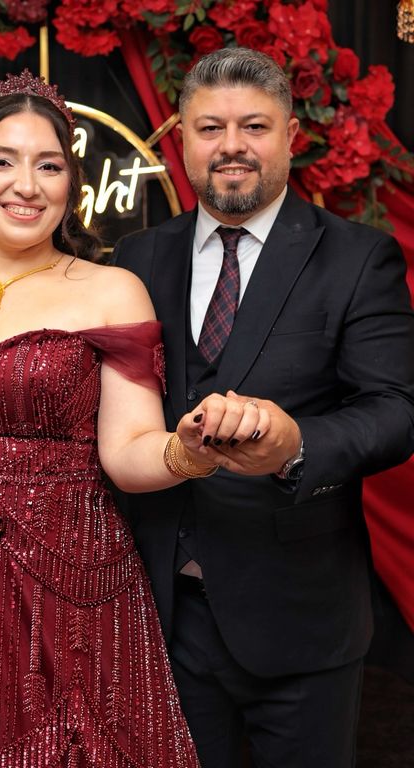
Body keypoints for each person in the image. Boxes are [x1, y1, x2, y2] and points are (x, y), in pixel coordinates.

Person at [0, 70, 270, 766]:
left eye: (49, 165)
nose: (26, 185)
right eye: (2, 162)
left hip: (73, 592)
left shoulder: (110, 291)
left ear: (72, 183)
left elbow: (128, 451)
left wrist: (190, 452)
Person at [112, 47, 414, 768]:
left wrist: (295, 445)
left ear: (290, 137)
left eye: (254, 126)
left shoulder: (357, 257)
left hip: (301, 618)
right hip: (159, 617)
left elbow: (397, 409)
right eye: (210, 127)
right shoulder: (135, 259)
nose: (232, 146)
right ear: (182, 139)